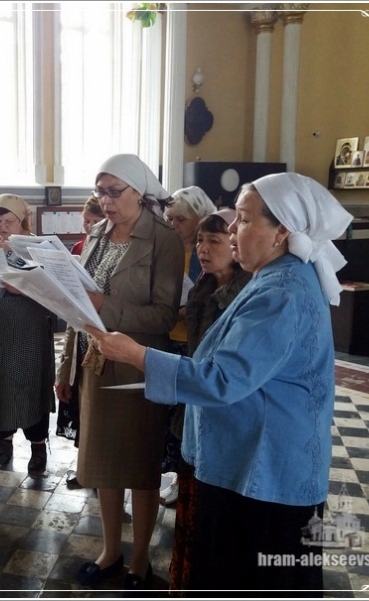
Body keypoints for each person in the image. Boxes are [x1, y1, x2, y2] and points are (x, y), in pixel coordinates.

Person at [87, 172, 353, 596]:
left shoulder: (282, 291)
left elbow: (222, 378)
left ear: (281, 231)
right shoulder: (275, 275)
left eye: (243, 220)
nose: (231, 231)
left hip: (264, 472)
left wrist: (137, 354)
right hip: (254, 459)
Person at [55, 154, 184, 594]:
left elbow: (163, 316)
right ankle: (111, 550)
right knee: (103, 465)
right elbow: (77, 306)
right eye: (100, 192)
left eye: (114, 192)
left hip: (138, 366)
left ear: (139, 192)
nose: (105, 202)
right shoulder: (96, 235)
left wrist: (105, 306)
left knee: (140, 466)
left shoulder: (163, 240)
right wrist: (66, 366)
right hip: (94, 364)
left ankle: (141, 559)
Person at [166, 208, 251, 595]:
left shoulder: (247, 295)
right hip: (195, 407)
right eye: (200, 240)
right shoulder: (202, 287)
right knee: (192, 505)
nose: (202, 248)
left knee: (216, 516)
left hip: (226, 414)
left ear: (234, 245)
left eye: (214, 241)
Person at [0, 194, 56, 477]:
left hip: (27, 328)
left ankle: (38, 448)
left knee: (27, 383)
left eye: (9, 221)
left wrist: (24, 288)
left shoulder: (36, 246)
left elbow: (51, 289)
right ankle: (3, 443)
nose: (3, 227)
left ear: (22, 220)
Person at [160, 186, 217, 505]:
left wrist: (186, 309)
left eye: (180, 219)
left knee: (186, 415)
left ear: (200, 219)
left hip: (194, 344)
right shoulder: (167, 249)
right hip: (166, 338)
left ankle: (185, 479)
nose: (173, 225)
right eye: (169, 218)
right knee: (167, 412)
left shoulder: (207, 254)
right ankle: (170, 473)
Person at [57, 194, 105, 488]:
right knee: (82, 406)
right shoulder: (79, 248)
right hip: (79, 333)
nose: (88, 227)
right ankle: (85, 468)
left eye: (94, 221)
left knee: (99, 408)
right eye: (85, 221)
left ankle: (101, 473)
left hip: (103, 335)